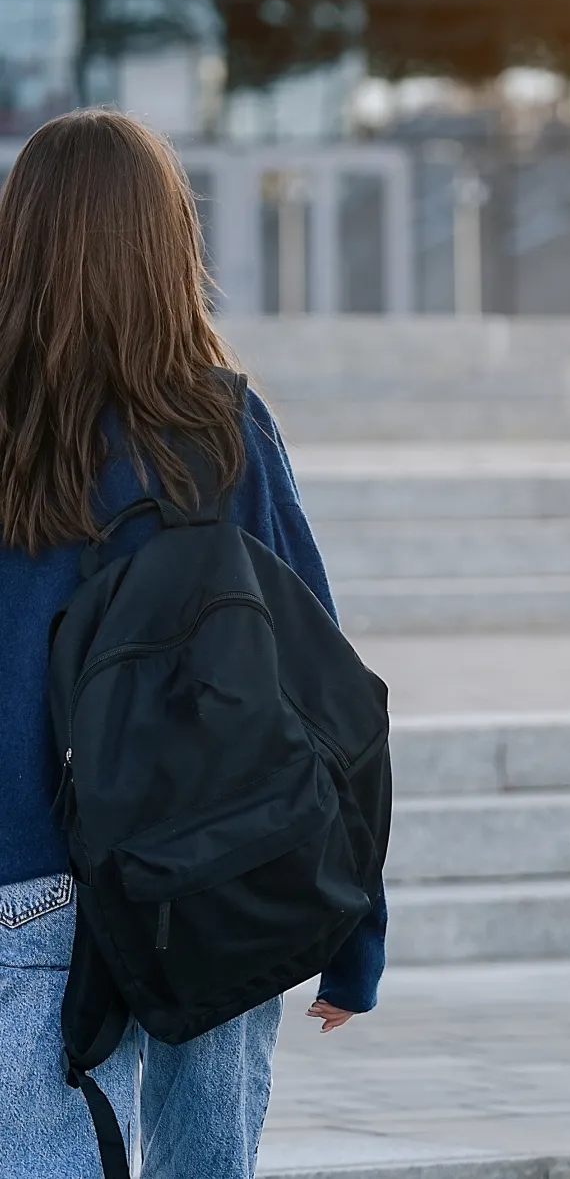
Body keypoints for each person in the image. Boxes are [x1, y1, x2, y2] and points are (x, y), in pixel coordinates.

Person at [0, 109, 387, 1179]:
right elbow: (320, 693)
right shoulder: (216, 430)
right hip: (205, 859)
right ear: (173, 246)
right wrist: (355, 936)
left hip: (17, 876)